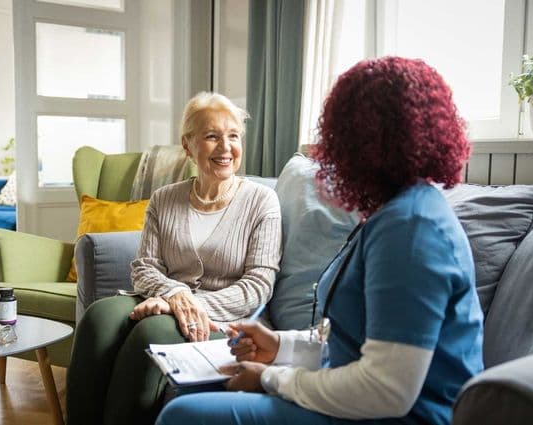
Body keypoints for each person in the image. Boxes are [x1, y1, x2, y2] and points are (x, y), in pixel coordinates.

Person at [156, 57, 484, 425]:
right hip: (365, 403)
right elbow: (359, 339)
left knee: (184, 414)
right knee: (194, 392)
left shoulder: (410, 229)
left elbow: (386, 390)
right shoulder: (391, 212)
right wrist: (280, 344)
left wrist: (271, 378)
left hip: (404, 416)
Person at [66, 92, 282, 425]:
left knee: (150, 332)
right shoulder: (165, 199)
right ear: (188, 145)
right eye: (212, 136)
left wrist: (183, 303)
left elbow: (257, 287)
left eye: (233, 136)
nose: (225, 147)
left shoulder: (262, 202)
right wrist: (174, 295)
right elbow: (144, 267)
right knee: (99, 317)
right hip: (166, 300)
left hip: (228, 318)